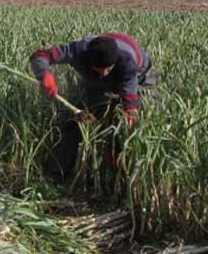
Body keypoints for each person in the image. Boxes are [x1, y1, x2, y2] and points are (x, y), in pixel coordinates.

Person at [30, 32, 156, 181]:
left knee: (139, 121)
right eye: (99, 69)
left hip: (141, 75)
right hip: (93, 77)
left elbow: (131, 107)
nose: (103, 74)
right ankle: (55, 175)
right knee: (74, 121)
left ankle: (124, 180)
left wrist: (121, 142)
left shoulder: (126, 62)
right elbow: (40, 55)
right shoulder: (78, 50)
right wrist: (44, 75)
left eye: (108, 69)